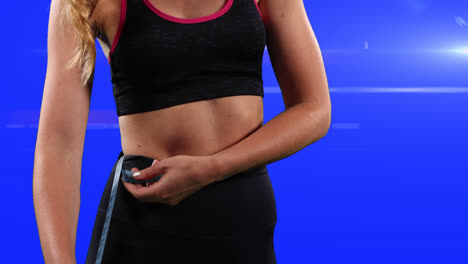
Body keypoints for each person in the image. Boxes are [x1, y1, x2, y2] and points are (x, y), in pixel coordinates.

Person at [33, 0, 331, 263]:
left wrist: (212, 168)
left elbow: (314, 109)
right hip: (146, 225)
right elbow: (60, 143)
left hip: (246, 220)